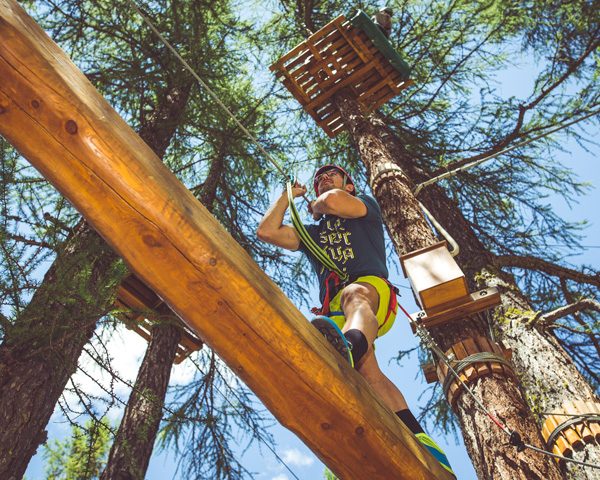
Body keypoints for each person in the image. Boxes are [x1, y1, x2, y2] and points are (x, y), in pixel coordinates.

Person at [257, 165, 454, 476]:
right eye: (319, 177)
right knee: (369, 374)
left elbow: (334, 202)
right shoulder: (313, 234)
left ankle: (353, 344)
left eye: (331, 175)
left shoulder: (364, 208)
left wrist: (317, 203)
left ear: (348, 185)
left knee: (354, 296)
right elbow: (267, 231)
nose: (322, 179)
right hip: (335, 312)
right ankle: (416, 436)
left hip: (370, 291)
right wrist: (287, 196)